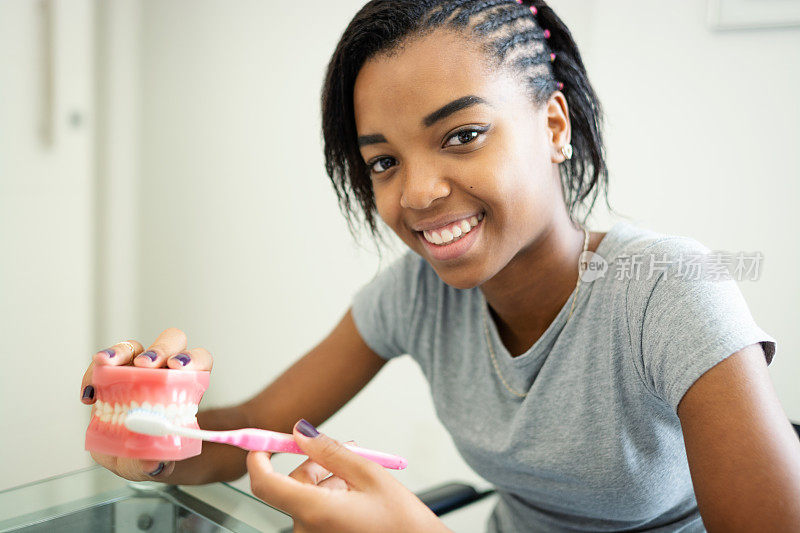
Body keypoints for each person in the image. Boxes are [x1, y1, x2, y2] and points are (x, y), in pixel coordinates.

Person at [80, 0, 800, 531]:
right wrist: (155, 430)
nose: (416, 192)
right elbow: (252, 425)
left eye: (462, 134)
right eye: (384, 161)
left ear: (553, 127)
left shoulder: (669, 291)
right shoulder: (416, 296)